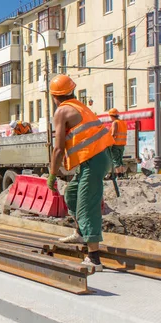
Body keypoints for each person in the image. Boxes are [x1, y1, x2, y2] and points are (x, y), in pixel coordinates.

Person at [47, 74, 114, 272]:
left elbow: (58, 148)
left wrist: (52, 174)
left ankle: (94, 258)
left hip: (94, 161)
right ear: (72, 91)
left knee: (87, 204)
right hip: (98, 158)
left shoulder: (62, 111)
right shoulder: (79, 106)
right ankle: (80, 232)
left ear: (54, 96)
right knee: (73, 193)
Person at [108, 108, 128, 178]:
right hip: (122, 144)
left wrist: (109, 142)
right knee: (120, 160)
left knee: (115, 160)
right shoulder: (123, 122)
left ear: (111, 116)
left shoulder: (115, 122)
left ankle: (118, 175)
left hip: (115, 144)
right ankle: (122, 174)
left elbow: (113, 134)